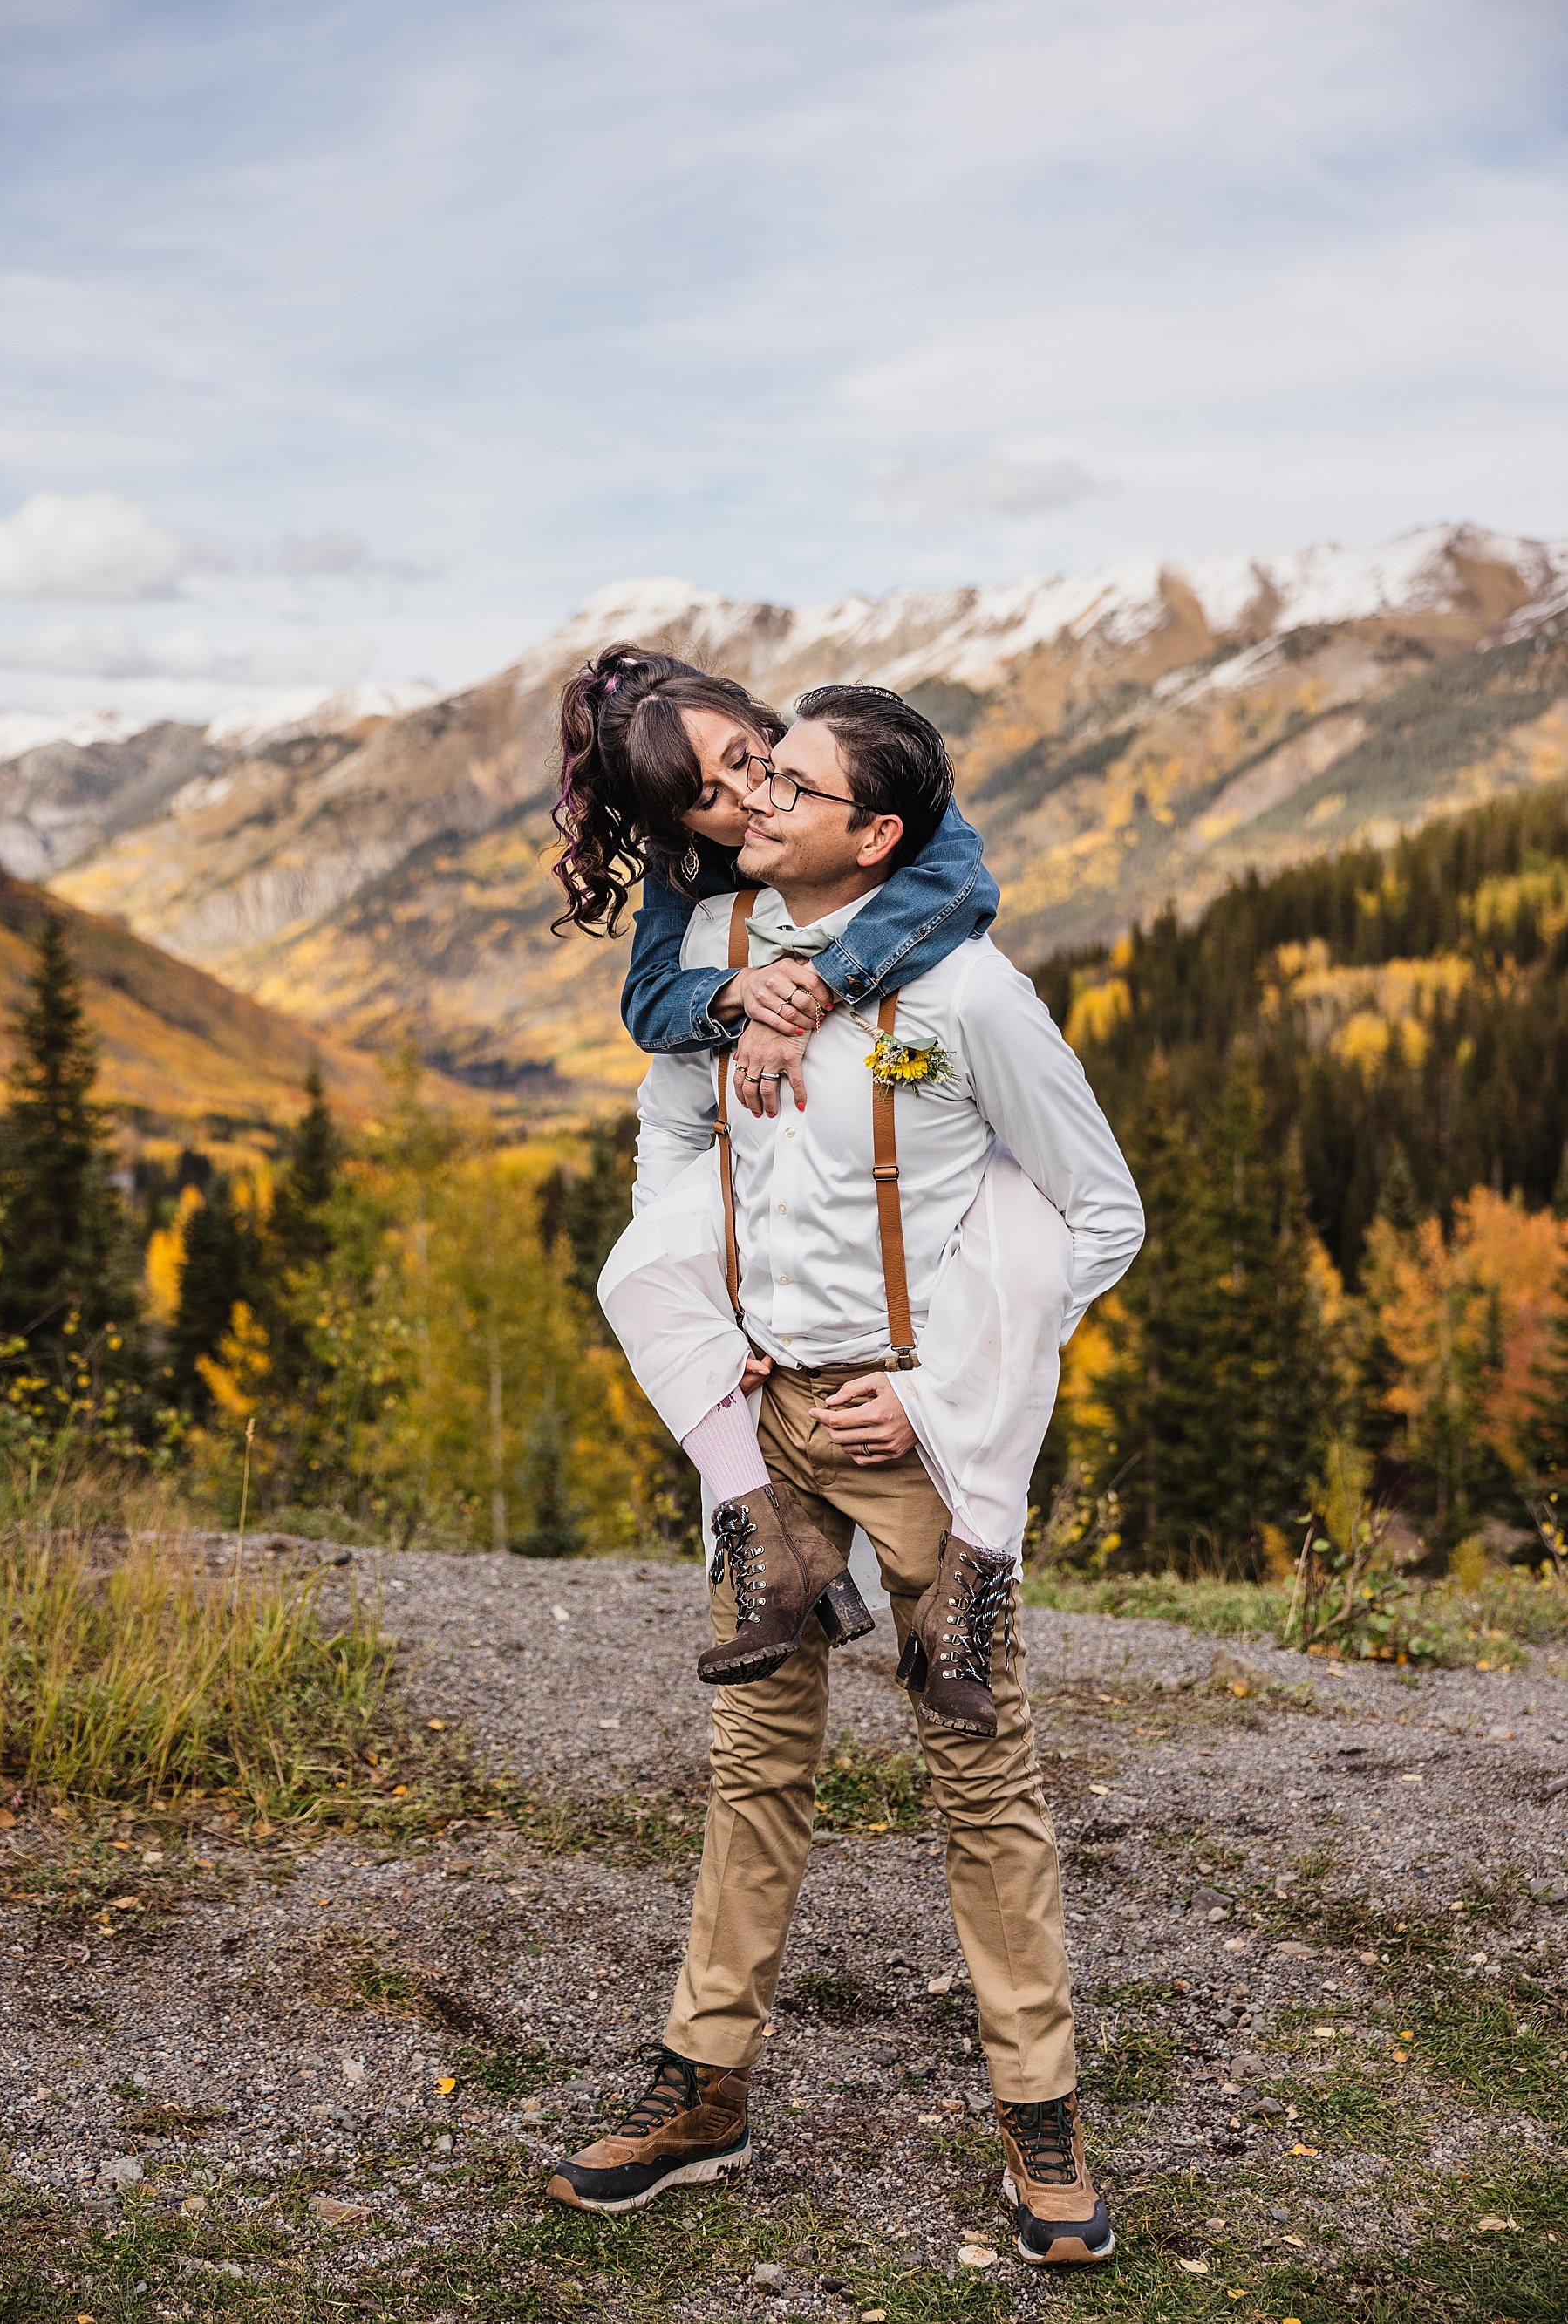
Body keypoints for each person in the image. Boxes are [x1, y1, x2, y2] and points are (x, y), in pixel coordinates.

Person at [547, 684, 1144, 2267]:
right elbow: (665, 1138)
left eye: (787, 785)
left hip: (915, 1443)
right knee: (754, 1763)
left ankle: (1042, 2116)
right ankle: (704, 2090)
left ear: (872, 833)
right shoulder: (719, 967)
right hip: (766, 1430)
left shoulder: (969, 991)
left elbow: (1103, 1214)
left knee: (981, 1772)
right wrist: (712, 1295)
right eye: (748, 781)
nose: (753, 806)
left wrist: (940, 1395)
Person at [553, 641, 1001, 1527]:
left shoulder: (849, 766)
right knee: (643, 1282)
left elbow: (961, 885)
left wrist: (810, 989)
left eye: (743, 757)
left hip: (914, 1131)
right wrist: (736, 989)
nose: (744, 795)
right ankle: (761, 1532)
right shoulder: (690, 873)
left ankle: (966, 1570)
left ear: (761, 720)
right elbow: (648, 1005)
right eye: (705, 802)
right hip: (772, 1166)